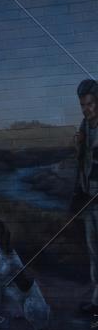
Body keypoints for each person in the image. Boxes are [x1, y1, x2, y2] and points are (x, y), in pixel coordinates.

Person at [0, 217, 50, 330]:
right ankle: (21, 312)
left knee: (13, 292)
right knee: (11, 291)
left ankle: (38, 328)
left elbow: (1, 277)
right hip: (25, 295)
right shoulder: (4, 252)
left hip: (35, 307)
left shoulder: (10, 259)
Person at [72, 79, 98, 313]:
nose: (86, 109)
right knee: (94, 253)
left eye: (90, 104)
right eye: (82, 105)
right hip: (89, 199)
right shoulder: (84, 126)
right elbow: (82, 162)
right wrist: (79, 146)